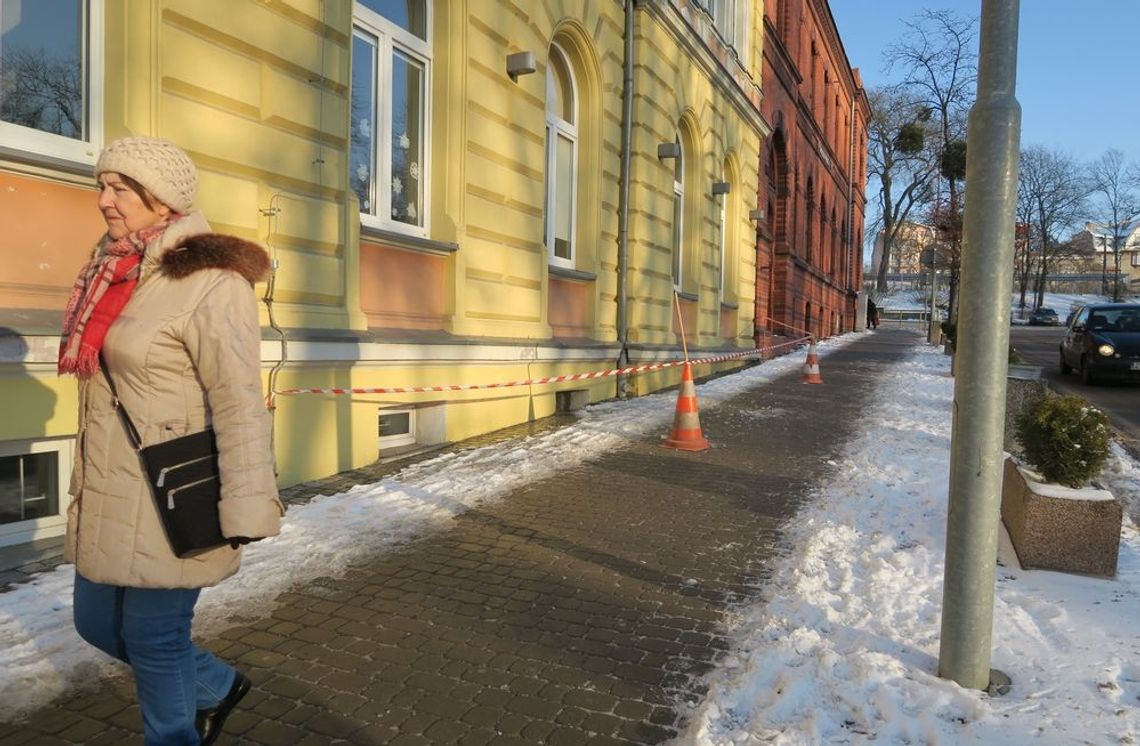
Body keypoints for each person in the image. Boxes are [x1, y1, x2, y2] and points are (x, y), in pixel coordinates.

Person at [60, 136, 283, 745]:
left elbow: (238, 401)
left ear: (162, 200)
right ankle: (215, 684)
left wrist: (246, 503)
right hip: (109, 485)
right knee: (94, 624)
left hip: (172, 490)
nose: (104, 200)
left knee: (155, 638)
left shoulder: (212, 283)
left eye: (120, 188)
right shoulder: (112, 270)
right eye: (102, 186)